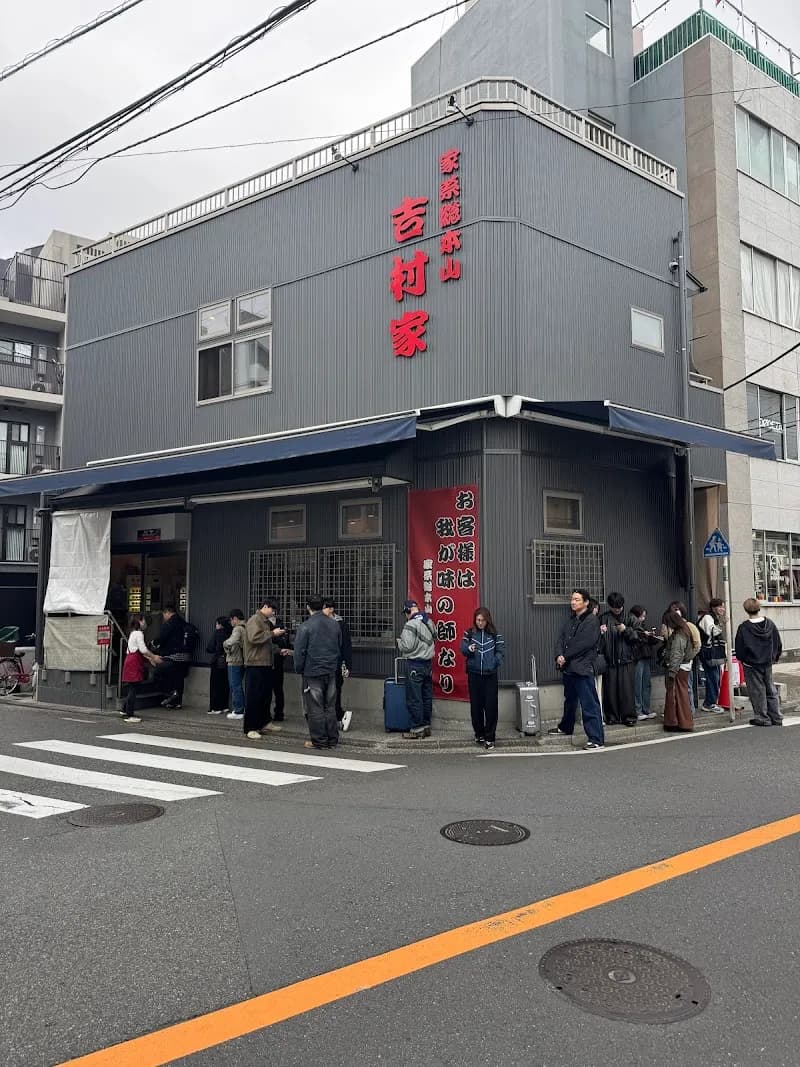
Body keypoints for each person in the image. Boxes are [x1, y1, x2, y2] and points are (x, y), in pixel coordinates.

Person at [549, 588, 605, 750]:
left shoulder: (592, 621)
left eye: (577, 599)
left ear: (586, 602)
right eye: (572, 599)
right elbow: (560, 638)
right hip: (569, 667)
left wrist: (564, 656)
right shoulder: (572, 619)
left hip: (582, 667)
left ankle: (596, 738)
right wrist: (559, 655)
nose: (573, 602)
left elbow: (583, 644)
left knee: (589, 703)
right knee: (570, 700)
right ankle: (566, 726)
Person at [294, 594, 342, 750]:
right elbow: (339, 646)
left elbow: (299, 651)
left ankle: (319, 740)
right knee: (330, 706)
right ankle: (332, 739)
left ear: (308, 607)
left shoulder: (305, 626)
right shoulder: (335, 624)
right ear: (323, 606)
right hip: (330, 669)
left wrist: (299, 669)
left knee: (315, 707)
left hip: (312, 670)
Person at [460, 607, 506, 751]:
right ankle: (479, 733)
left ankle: (490, 737)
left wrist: (494, 662)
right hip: (474, 675)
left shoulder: (494, 634)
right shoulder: (469, 633)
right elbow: (462, 648)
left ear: (487, 620)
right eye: (478, 620)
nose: (480, 623)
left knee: (491, 707)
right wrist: (469, 649)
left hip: (490, 676)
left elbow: (501, 651)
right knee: (476, 707)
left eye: (483, 620)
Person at [734, 597, 783, 727]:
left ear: (746, 610)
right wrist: (775, 657)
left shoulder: (744, 628)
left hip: (751, 663)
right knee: (770, 689)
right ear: (759, 608)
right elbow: (778, 642)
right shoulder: (770, 624)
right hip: (767, 662)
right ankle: (776, 716)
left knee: (757, 691)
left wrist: (743, 660)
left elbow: (740, 648)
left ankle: (762, 717)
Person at [243, 602, 286, 740]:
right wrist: (273, 633)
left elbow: (267, 644)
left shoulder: (265, 621)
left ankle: (264, 722)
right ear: (265, 606)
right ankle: (250, 727)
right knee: (254, 696)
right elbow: (254, 638)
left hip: (266, 663)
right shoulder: (255, 620)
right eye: (273, 609)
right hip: (255, 663)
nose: (273, 613)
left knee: (265, 696)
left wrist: (279, 650)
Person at [396, 598, 437, 740]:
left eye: (405, 613)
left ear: (408, 611)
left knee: (414, 698)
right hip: (428, 664)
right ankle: (426, 726)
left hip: (414, 664)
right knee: (426, 696)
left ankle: (417, 728)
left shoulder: (410, 624)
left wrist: (399, 642)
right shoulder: (428, 621)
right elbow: (435, 636)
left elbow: (407, 646)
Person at [598, 592, 638, 727]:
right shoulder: (603, 618)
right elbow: (596, 641)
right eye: (614, 607)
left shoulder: (630, 618)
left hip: (627, 659)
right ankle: (611, 717)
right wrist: (600, 633)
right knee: (610, 691)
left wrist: (626, 630)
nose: (617, 609)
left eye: (619, 607)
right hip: (610, 659)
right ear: (610, 606)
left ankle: (629, 717)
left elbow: (639, 637)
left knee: (627, 691)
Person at [120, 614, 160, 724]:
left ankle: (124, 709)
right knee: (134, 688)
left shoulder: (133, 633)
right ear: (140, 621)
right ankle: (129, 714)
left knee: (133, 687)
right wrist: (153, 656)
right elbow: (143, 649)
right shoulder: (139, 633)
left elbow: (138, 650)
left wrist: (149, 658)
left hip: (130, 661)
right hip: (134, 663)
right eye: (144, 621)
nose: (145, 623)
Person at [661, 609, 696, 732]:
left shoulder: (679, 635)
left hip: (677, 669)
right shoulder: (685, 630)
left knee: (675, 695)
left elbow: (676, 654)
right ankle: (683, 722)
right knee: (682, 695)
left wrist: (672, 671)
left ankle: (675, 723)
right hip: (684, 667)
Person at [323, 599, 354, 731]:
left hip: (337, 662)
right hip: (324, 662)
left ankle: (338, 717)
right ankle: (331, 718)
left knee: (335, 691)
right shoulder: (320, 623)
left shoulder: (341, 624)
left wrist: (347, 665)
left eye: (324, 608)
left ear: (331, 609)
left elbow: (346, 646)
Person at [667, 601, 702, 714]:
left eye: (677, 610)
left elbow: (697, 645)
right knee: (679, 689)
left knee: (686, 687)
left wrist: (687, 657)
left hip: (684, 663)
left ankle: (689, 710)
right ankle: (681, 712)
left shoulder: (689, 626)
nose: (675, 613)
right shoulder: (670, 627)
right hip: (675, 662)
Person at [153, 604, 189, 709]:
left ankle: (170, 694)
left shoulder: (169, 624)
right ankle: (177, 702)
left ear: (167, 612)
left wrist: (154, 643)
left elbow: (162, 637)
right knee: (179, 678)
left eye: (164, 614)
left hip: (172, 655)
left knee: (161, 674)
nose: (164, 617)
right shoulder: (183, 622)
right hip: (185, 656)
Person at [627, 605, 658, 721]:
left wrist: (651, 637)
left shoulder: (642, 627)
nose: (643, 619)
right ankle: (638, 710)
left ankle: (646, 709)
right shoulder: (632, 627)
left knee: (646, 684)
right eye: (642, 616)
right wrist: (643, 636)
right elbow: (632, 640)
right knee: (638, 684)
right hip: (637, 658)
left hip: (645, 657)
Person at [263, 600, 292, 723]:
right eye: (272, 610)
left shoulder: (280, 622)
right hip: (268, 660)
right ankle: (266, 714)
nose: (273, 613)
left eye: (275, 610)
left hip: (279, 660)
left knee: (278, 688)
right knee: (267, 689)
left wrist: (287, 649)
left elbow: (286, 640)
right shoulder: (263, 623)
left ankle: (279, 713)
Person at [698, 598, 727, 714]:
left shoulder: (712, 617)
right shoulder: (707, 617)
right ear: (714, 607)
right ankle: (709, 703)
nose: (723, 609)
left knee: (715, 676)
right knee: (712, 677)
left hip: (711, 652)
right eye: (721, 607)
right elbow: (713, 631)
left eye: (723, 607)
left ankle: (711, 702)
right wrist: (722, 623)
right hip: (708, 652)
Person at [223, 609, 246, 721]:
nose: (230, 623)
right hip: (243, 660)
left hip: (234, 660)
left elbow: (232, 641)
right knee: (239, 686)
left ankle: (238, 710)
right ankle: (241, 708)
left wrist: (225, 644)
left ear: (235, 619)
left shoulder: (237, 629)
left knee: (234, 686)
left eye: (231, 620)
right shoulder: (246, 627)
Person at [206, 616, 231, 715]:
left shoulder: (218, 633)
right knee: (225, 684)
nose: (216, 626)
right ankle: (224, 706)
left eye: (216, 624)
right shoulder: (231, 633)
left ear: (220, 624)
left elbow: (210, 647)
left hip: (217, 662)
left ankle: (215, 708)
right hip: (228, 661)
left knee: (215, 685)